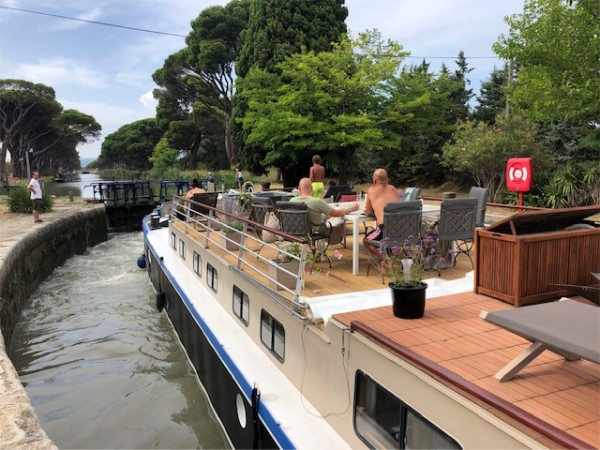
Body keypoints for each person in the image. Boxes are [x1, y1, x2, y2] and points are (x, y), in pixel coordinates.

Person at [291, 178, 358, 234]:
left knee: (323, 216)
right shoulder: (317, 201)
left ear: (299, 188)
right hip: (315, 230)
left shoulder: (292, 201)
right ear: (311, 188)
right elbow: (336, 213)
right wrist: (351, 209)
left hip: (296, 230)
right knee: (328, 217)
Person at [363, 168, 400, 243]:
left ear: (375, 180)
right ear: (387, 179)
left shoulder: (371, 190)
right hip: (401, 228)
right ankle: (387, 252)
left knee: (366, 240)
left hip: (385, 230)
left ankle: (382, 255)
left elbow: (368, 211)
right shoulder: (393, 189)